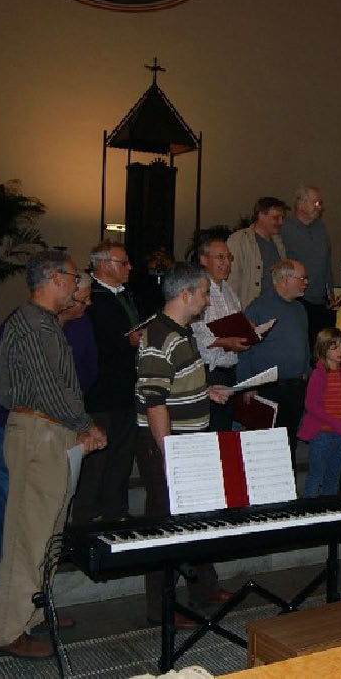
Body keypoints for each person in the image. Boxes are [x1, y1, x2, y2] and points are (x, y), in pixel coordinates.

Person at [0, 251, 107, 658]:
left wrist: (76, 426)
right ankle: (10, 630)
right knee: (29, 535)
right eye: (74, 278)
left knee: (49, 532)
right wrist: (86, 425)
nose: (77, 287)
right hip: (38, 431)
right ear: (55, 278)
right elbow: (51, 389)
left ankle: (35, 611)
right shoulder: (32, 324)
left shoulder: (44, 322)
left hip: (50, 430)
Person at [134, 263, 234, 629]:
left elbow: (173, 383)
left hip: (187, 442)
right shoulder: (160, 336)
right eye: (205, 294)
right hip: (167, 445)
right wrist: (169, 453)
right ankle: (160, 608)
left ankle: (203, 589)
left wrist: (205, 391)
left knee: (195, 518)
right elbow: (154, 402)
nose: (208, 301)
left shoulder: (181, 331)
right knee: (164, 525)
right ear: (185, 294)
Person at [0, 273, 96, 557]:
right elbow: (43, 385)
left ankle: (43, 560)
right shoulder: (30, 323)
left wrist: (74, 415)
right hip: (12, 420)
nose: (87, 305)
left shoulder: (80, 324)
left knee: (48, 503)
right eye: (82, 299)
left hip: (57, 423)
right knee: (12, 499)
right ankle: (12, 557)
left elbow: (85, 372)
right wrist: (83, 423)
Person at [74, 240, 142, 525]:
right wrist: (127, 342)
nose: (129, 267)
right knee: (96, 461)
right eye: (122, 262)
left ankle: (115, 513)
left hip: (126, 388)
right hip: (100, 392)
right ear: (102, 265)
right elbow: (89, 344)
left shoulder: (125, 295)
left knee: (121, 457)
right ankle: (85, 519)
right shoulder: (88, 297)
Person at [240, 259, 312, 463]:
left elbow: (304, 343)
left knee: (289, 443)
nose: (306, 282)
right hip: (268, 389)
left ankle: (288, 482)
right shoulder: (258, 308)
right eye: (302, 278)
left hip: (295, 387)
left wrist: (306, 371)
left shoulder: (299, 309)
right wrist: (248, 385)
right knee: (266, 447)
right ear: (285, 279)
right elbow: (243, 349)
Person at [190, 238, 249, 434]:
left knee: (224, 430)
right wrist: (225, 342)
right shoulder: (197, 290)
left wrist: (248, 331)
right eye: (220, 257)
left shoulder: (229, 291)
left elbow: (234, 325)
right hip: (208, 371)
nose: (226, 263)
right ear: (204, 260)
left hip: (229, 369)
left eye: (229, 257)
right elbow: (195, 335)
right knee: (207, 431)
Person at [299, 328, 341, 497]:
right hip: (322, 434)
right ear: (323, 350)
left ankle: (329, 508)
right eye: (335, 347)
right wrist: (336, 423)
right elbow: (311, 406)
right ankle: (309, 508)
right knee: (316, 476)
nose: (340, 351)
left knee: (334, 476)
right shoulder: (318, 374)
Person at [281, 184, 336, 346]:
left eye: (321, 203)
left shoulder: (321, 228)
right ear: (301, 203)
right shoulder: (286, 229)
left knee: (321, 346)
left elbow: (326, 263)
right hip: (298, 299)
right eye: (316, 203)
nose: (320, 207)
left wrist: (330, 292)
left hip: (321, 300)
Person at [227, 196, 288, 307]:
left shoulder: (279, 243)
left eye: (282, 218)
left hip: (275, 307)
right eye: (276, 218)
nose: (281, 222)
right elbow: (231, 282)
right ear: (261, 216)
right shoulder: (239, 241)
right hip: (250, 309)